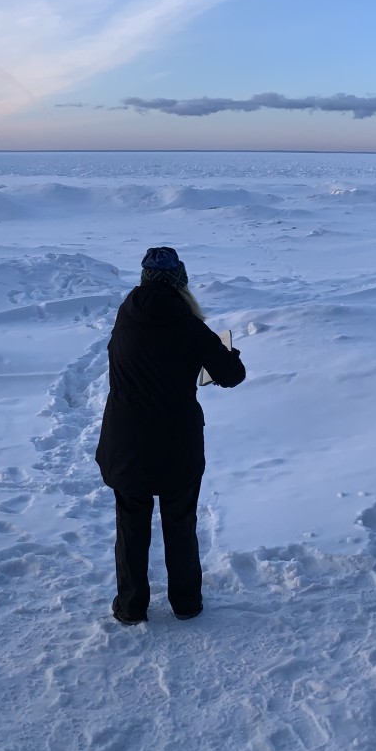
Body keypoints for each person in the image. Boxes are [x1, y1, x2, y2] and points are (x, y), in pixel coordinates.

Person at [96, 246, 246, 625]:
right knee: (180, 523)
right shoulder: (190, 326)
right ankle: (186, 603)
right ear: (181, 281)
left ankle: (131, 607)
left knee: (131, 527)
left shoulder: (125, 315)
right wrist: (232, 355)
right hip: (177, 444)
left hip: (125, 442)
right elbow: (231, 376)